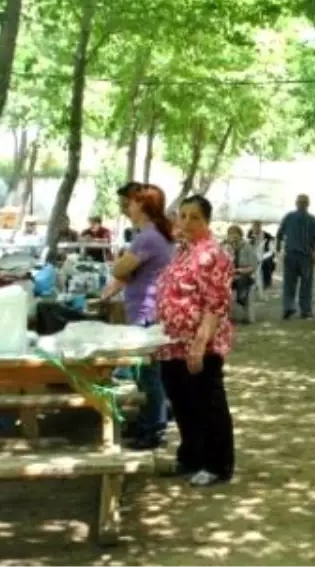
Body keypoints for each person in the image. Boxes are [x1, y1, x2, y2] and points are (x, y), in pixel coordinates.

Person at [154, 194, 236, 486]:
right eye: (183, 215)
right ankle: (191, 457)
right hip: (172, 342)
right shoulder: (182, 251)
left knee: (208, 403)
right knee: (181, 403)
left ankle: (217, 465)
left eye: (194, 217)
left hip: (201, 344)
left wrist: (200, 343)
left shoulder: (215, 254)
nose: (186, 222)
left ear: (207, 221)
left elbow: (216, 305)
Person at [99, 184, 175, 450]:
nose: (126, 207)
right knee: (146, 374)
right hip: (149, 310)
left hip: (147, 313)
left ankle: (153, 429)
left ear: (142, 205)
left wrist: (120, 261)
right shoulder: (153, 235)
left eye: (129, 202)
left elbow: (121, 269)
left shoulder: (147, 238)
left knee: (148, 375)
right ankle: (150, 421)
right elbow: (124, 275)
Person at [277, 193, 315, 320]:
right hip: (291, 255)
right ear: (296, 203)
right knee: (289, 283)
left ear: (308, 204)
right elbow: (279, 234)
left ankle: (306, 310)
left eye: (304, 202)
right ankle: (288, 308)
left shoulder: (312, 220)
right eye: (300, 202)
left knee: (306, 284)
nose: (301, 204)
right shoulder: (289, 217)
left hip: (306, 257)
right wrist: (279, 250)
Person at [223, 225, 259, 311]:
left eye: (235, 234)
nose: (233, 237)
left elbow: (253, 266)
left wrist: (239, 270)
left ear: (240, 235)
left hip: (244, 275)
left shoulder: (247, 247)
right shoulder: (225, 246)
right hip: (229, 276)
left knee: (241, 279)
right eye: (230, 234)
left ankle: (242, 298)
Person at [247, 220, 275, 289]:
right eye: (253, 226)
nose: (255, 228)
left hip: (265, 258)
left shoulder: (268, 237)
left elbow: (271, 251)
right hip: (253, 257)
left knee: (265, 263)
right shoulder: (250, 236)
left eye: (257, 226)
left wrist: (262, 258)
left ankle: (266, 282)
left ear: (260, 226)